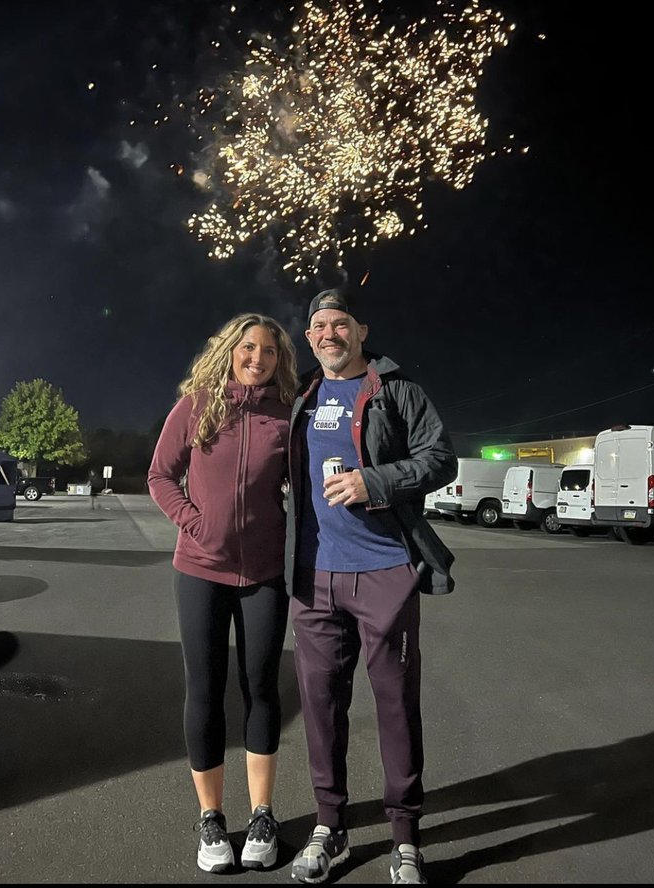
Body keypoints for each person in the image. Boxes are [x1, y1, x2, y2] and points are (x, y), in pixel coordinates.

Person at [286, 288, 458, 885]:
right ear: (309, 338)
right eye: (317, 327)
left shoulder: (396, 390)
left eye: (339, 324)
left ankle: (406, 838)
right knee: (322, 709)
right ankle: (329, 828)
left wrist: (374, 482)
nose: (328, 334)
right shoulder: (301, 397)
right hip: (313, 577)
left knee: (395, 706)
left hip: (385, 570)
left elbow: (442, 459)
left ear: (360, 330)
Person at [148, 313, 298, 874]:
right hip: (200, 570)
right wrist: (194, 523)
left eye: (268, 350)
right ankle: (211, 818)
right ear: (229, 351)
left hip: (263, 574)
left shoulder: (286, 416)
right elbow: (160, 475)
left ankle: (262, 814)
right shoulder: (197, 405)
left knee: (261, 686)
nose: (257, 357)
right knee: (204, 689)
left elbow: (304, 489)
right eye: (247, 348)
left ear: (279, 358)